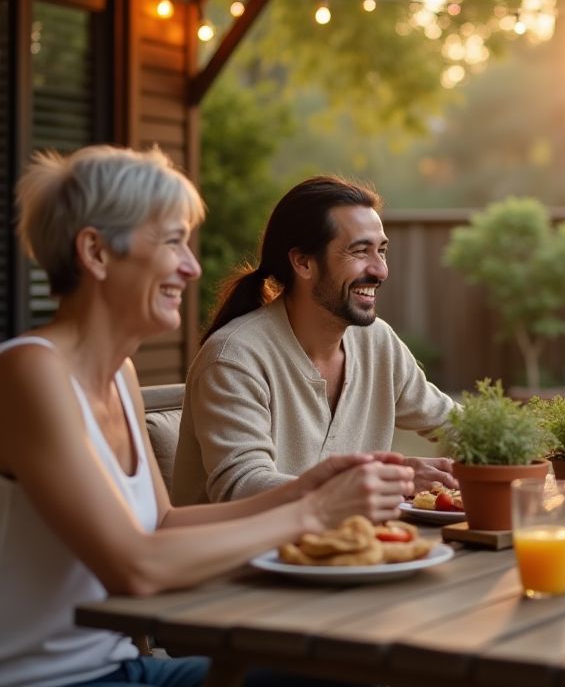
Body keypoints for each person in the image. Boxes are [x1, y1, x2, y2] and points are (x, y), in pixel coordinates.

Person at [0, 145, 414, 686]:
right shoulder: (30, 373)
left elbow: (163, 524)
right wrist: (314, 515)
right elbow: (136, 567)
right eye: (173, 242)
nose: (192, 267)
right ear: (96, 253)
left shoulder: (119, 372)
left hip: (121, 666)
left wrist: (306, 488)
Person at [171, 176, 456, 507]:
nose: (380, 270)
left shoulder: (377, 342)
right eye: (360, 251)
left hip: (347, 552)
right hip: (240, 557)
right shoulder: (234, 358)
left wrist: (522, 443)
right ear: (303, 262)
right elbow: (241, 486)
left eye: (381, 250)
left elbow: (456, 425)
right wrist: (381, 481)